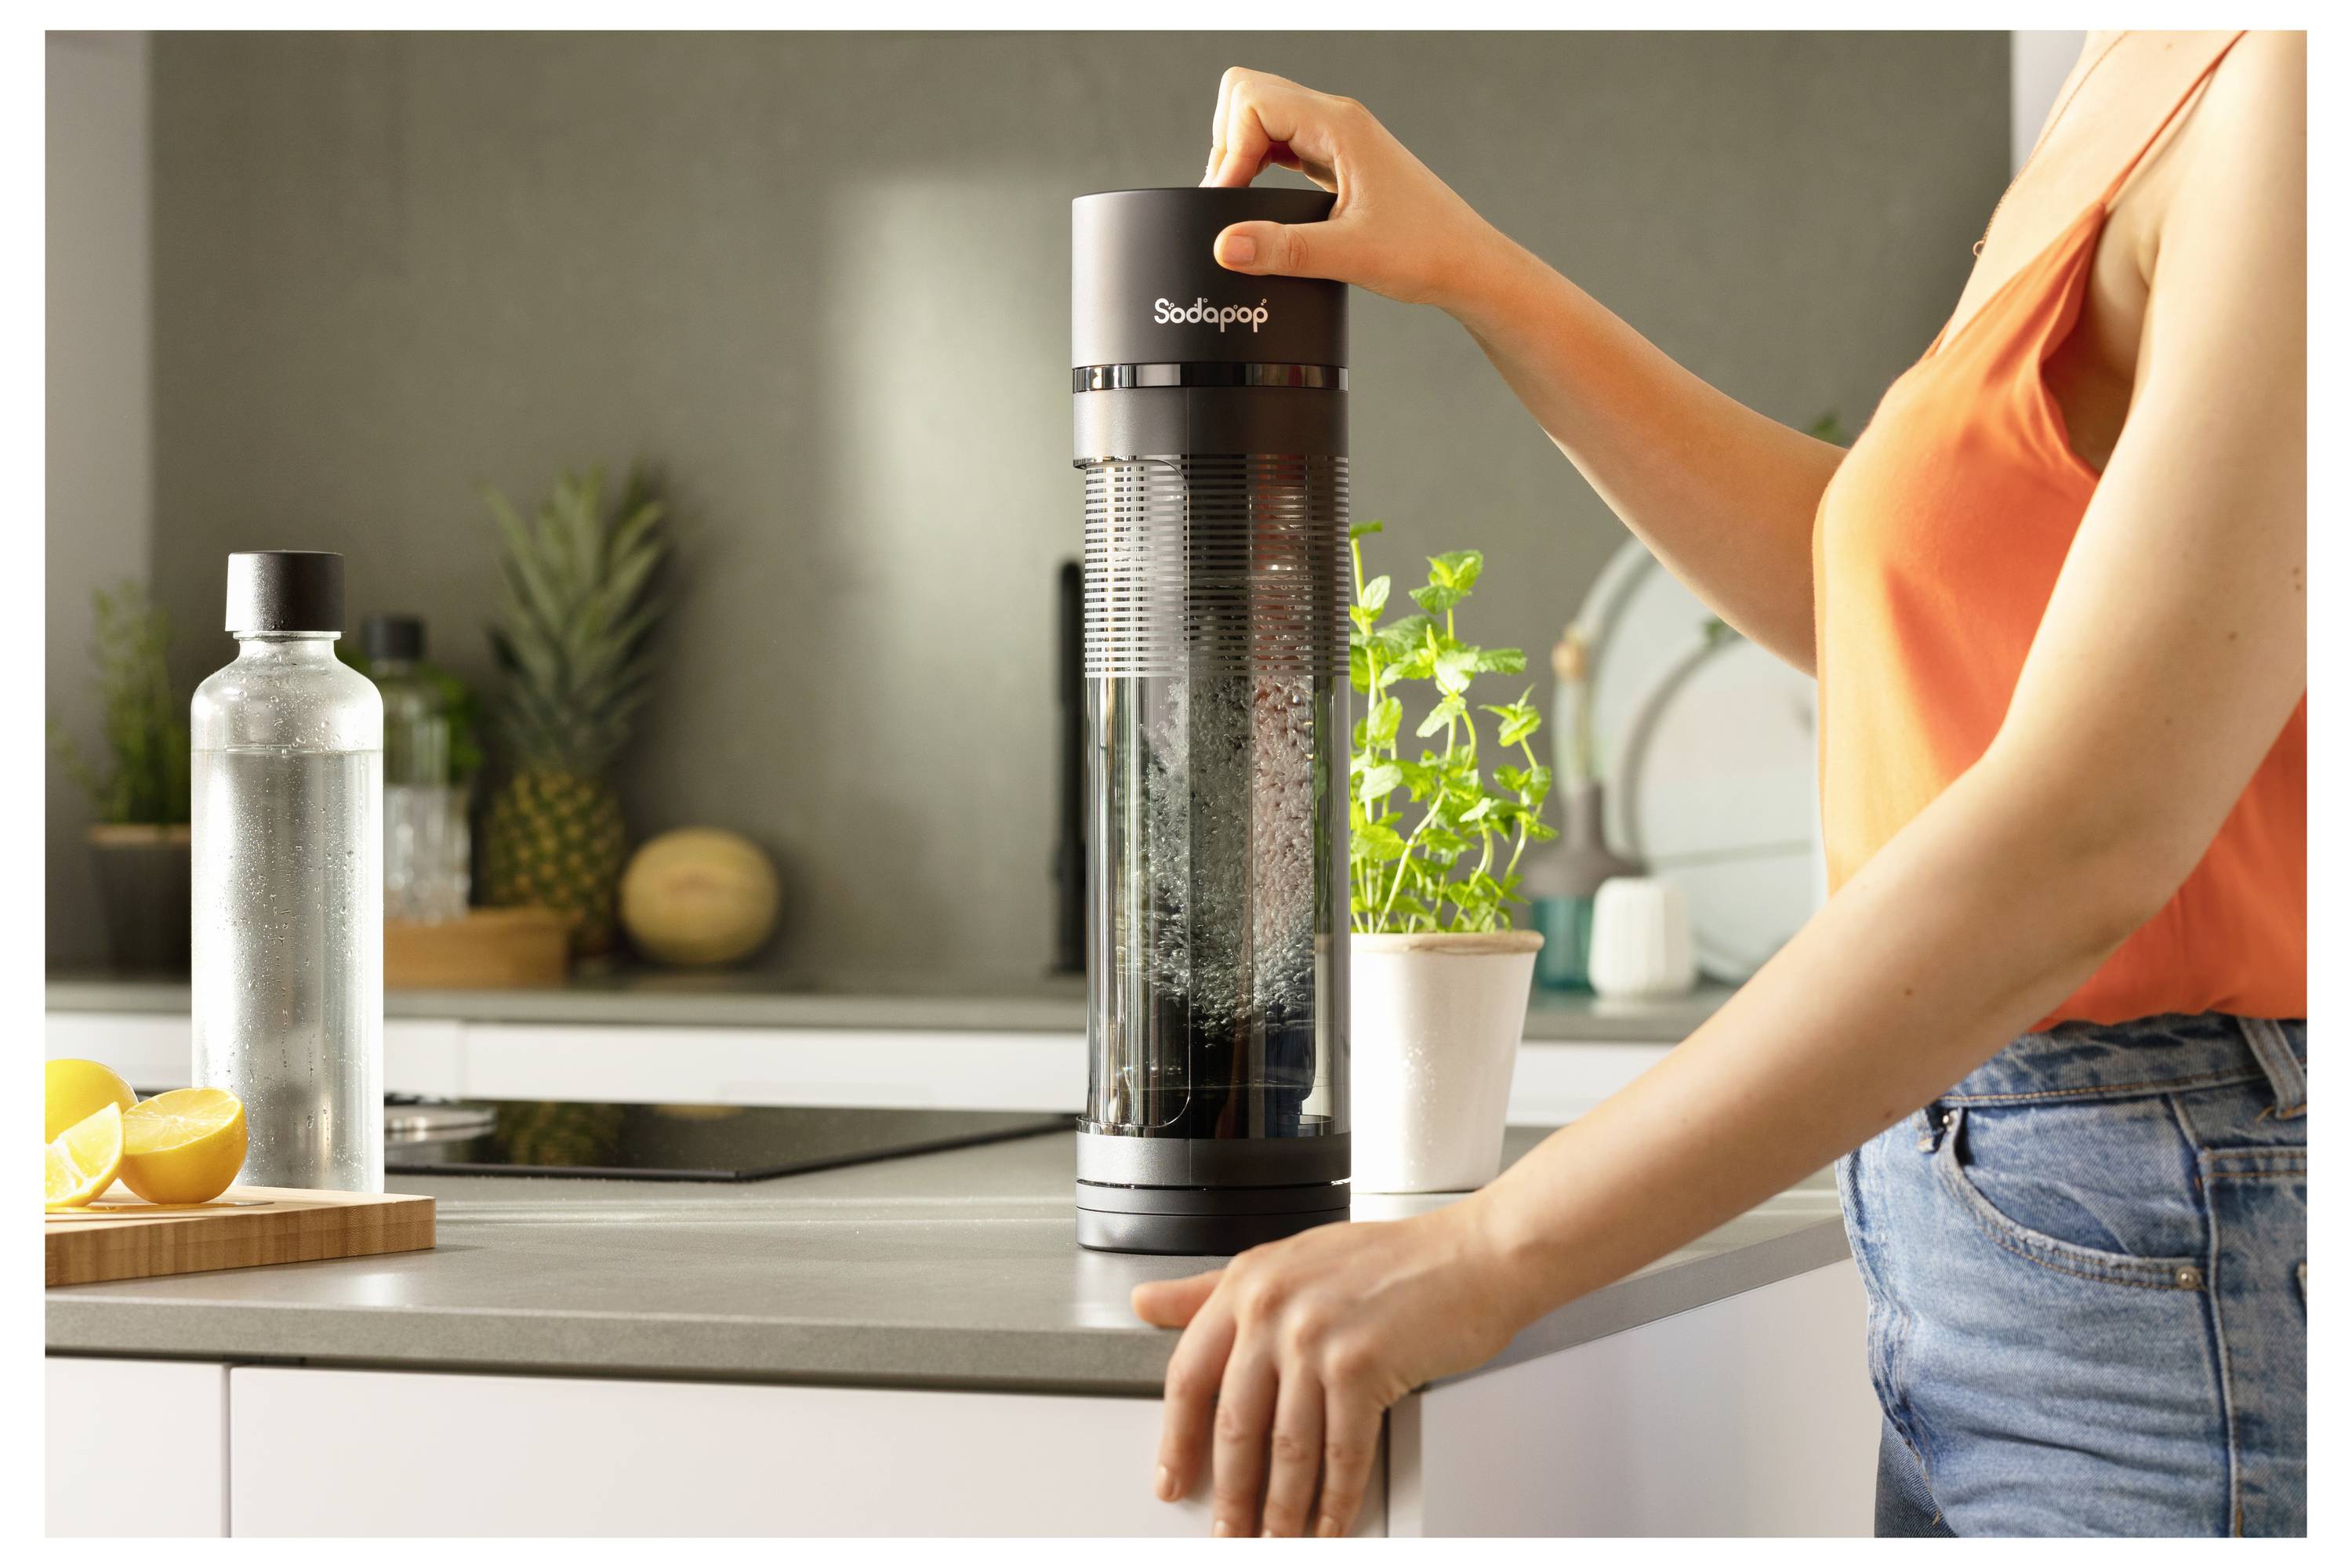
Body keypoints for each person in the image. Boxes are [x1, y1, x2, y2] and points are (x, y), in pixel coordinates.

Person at [1132, 31, 2306, 1538]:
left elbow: (2097, 827)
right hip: (2023, 1208)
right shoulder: (2142, 51)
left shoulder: (2293, 72)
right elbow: (1913, 601)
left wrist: (1497, 1251)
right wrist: (1478, 274)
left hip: (2171, 1219)